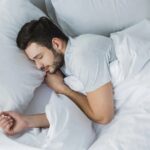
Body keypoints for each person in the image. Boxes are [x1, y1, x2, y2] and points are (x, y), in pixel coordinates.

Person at [0, 17, 116, 136]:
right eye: (33, 61)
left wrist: (63, 89)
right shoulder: (63, 65)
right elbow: (75, 110)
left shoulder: (81, 55)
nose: (38, 66)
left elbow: (104, 116)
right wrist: (26, 121)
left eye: (39, 57)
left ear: (56, 44)